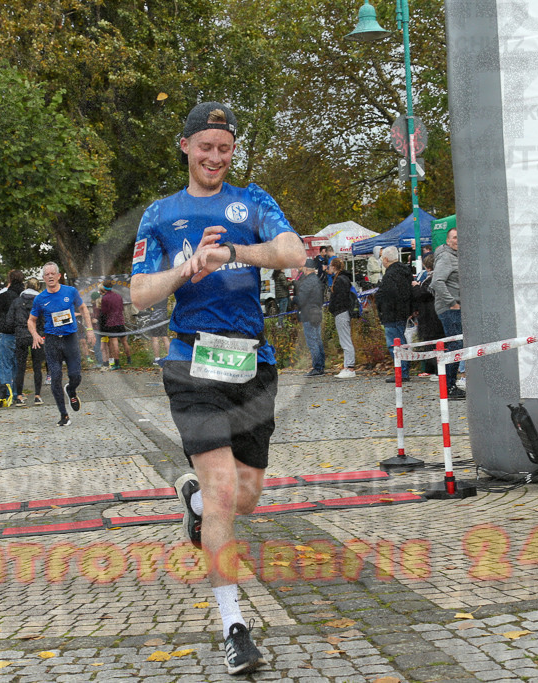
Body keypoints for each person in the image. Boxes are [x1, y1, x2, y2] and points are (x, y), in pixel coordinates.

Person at [130, 101, 305, 675]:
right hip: (192, 364)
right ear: (185, 146)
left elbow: (293, 253)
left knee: (244, 497)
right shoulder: (161, 214)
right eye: (205, 146)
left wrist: (230, 252)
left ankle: (197, 503)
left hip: (252, 364)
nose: (215, 157)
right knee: (227, 490)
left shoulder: (252, 201)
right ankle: (234, 626)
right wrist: (186, 269)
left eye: (224, 148)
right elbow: (139, 294)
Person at [29, 262, 95, 426]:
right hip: (52, 340)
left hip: (70, 339)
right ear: (43, 278)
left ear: (59, 276)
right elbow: (31, 320)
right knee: (56, 376)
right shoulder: (40, 298)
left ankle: (71, 389)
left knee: (75, 375)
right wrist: (35, 335)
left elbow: (83, 308)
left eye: (53, 273)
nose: (50, 276)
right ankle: (64, 415)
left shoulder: (70, 291)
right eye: (47, 274)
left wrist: (89, 329)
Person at [431, 227, 465, 399]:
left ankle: (450, 384)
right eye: (454, 237)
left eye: (460, 237)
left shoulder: (457, 256)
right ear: (448, 240)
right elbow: (437, 281)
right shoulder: (446, 256)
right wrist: (452, 303)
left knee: (457, 345)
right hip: (449, 308)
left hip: (456, 308)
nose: (458, 240)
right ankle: (449, 386)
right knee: (456, 345)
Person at [374, 246, 415, 383]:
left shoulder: (390, 275)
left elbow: (389, 296)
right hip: (403, 313)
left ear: (386, 259)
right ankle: (404, 370)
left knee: (395, 345)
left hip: (391, 314)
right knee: (402, 342)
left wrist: (381, 306)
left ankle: (401, 372)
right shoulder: (406, 272)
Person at [0, 269, 25, 396]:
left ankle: (7, 393)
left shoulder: (3, 296)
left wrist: (5, 321)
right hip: (21, 333)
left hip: (6, 333)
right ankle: (18, 392)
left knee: (5, 365)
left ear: (10, 280)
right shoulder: (24, 296)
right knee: (18, 365)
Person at [414, 253, 445, 376]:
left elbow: (423, 294)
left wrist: (416, 287)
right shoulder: (440, 277)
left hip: (430, 315)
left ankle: (436, 370)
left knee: (431, 342)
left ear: (427, 267)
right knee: (435, 341)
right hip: (435, 314)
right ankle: (432, 369)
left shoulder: (431, 280)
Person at [8, 284, 40, 406]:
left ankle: (19, 396)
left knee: (20, 367)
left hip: (21, 335)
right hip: (36, 335)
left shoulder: (16, 301)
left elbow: (9, 320)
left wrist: (17, 328)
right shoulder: (39, 301)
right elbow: (43, 318)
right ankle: (37, 396)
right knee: (37, 366)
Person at [328, 258, 357, 378]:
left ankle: (350, 367)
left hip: (341, 311)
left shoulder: (339, 280)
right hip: (343, 311)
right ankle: (347, 366)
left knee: (345, 340)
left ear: (334, 267)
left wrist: (333, 307)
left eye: (330, 266)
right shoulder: (344, 278)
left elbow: (340, 297)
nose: (329, 268)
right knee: (345, 339)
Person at [296, 259, 326, 376]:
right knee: (318, 340)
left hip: (308, 314)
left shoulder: (307, 282)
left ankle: (317, 367)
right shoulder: (317, 280)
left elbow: (302, 299)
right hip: (317, 312)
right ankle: (321, 365)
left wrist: (294, 299)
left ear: (306, 268)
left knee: (312, 342)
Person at [99, 280, 131, 369]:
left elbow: (104, 312)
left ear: (104, 288)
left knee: (114, 343)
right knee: (124, 342)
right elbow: (122, 308)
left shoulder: (105, 298)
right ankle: (129, 359)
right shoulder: (118, 296)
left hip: (111, 322)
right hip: (120, 321)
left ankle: (117, 363)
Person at [142, 298, 172, 365]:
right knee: (165, 337)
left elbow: (148, 306)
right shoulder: (165, 295)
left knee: (155, 339)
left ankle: (157, 359)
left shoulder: (153, 295)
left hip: (154, 319)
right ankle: (170, 357)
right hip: (163, 318)